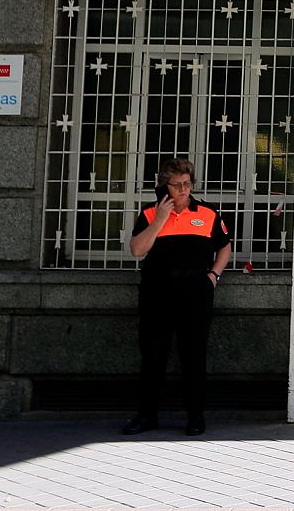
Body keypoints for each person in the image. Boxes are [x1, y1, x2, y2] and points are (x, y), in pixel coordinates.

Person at [122, 157, 230, 437]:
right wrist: (159, 220)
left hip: (195, 293)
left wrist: (214, 276)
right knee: (152, 355)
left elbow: (225, 247)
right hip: (157, 293)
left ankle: (195, 416)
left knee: (193, 355)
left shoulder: (207, 213)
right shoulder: (149, 214)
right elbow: (136, 250)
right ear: (164, 187)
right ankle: (147, 416)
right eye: (177, 185)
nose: (183, 190)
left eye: (187, 184)